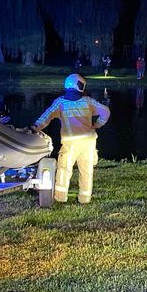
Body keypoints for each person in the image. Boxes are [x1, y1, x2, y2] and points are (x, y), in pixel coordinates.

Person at [32, 74, 110, 204]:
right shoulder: (88, 101)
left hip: (70, 143)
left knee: (64, 170)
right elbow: (106, 111)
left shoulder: (60, 102)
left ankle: (61, 197)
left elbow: (46, 117)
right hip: (89, 142)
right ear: (79, 86)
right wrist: (97, 125)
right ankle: (85, 198)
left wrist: (35, 128)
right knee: (87, 171)